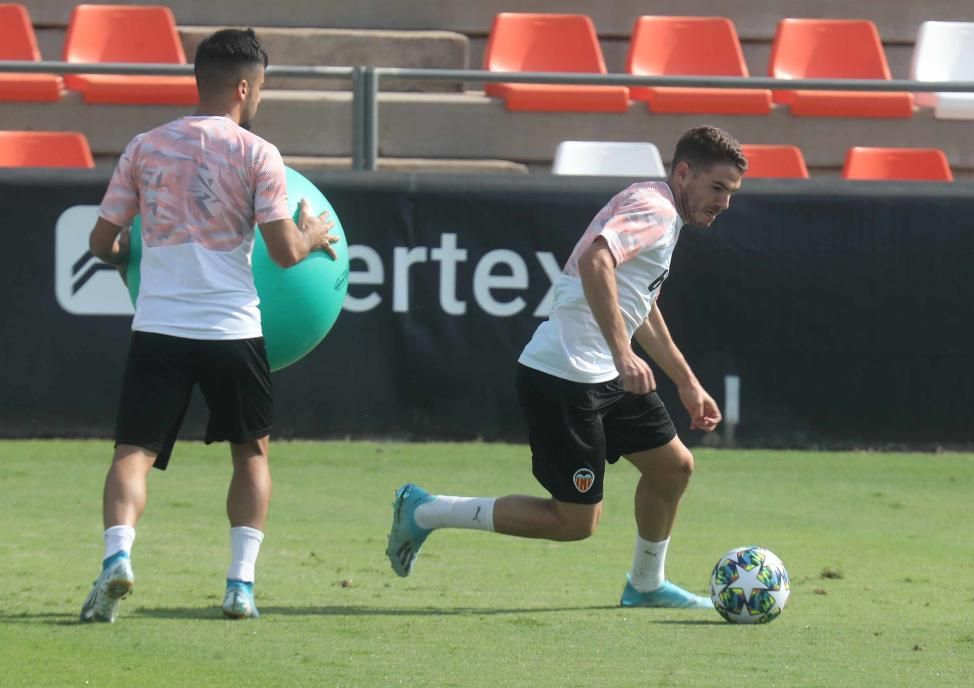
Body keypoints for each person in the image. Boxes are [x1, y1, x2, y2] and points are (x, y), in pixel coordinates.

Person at [387, 125, 746, 608]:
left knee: (673, 467)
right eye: (717, 188)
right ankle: (427, 511)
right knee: (575, 522)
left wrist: (687, 382)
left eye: (731, 192)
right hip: (565, 377)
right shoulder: (657, 210)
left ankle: (645, 584)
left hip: (605, 377)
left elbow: (641, 306)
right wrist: (624, 356)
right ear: (684, 173)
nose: (724, 202)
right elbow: (597, 262)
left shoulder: (660, 208)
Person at [80, 28, 337, 623]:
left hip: (160, 327)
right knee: (251, 454)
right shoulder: (257, 153)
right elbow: (285, 253)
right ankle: (239, 586)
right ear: (245, 87)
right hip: (232, 330)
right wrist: (315, 235)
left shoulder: (145, 147)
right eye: (262, 88)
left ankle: (117, 557)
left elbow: (100, 243)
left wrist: (127, 257)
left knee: (133, 452)